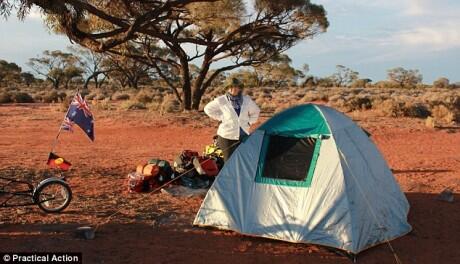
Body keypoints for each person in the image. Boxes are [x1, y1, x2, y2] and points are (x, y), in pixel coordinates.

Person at [204, 78, 260, 162]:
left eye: (235, 87)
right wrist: (221, 117)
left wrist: (249, 122)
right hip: (226, 136)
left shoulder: (246, 100)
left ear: (239, 88)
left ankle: (240, 175)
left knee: (243, 160)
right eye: (230, 87)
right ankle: (229, 175)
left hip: (243, 135)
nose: (232, 89)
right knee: (229, 161)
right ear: (227, 88)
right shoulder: (221, 100)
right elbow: (207, 109)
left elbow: (256, 111)